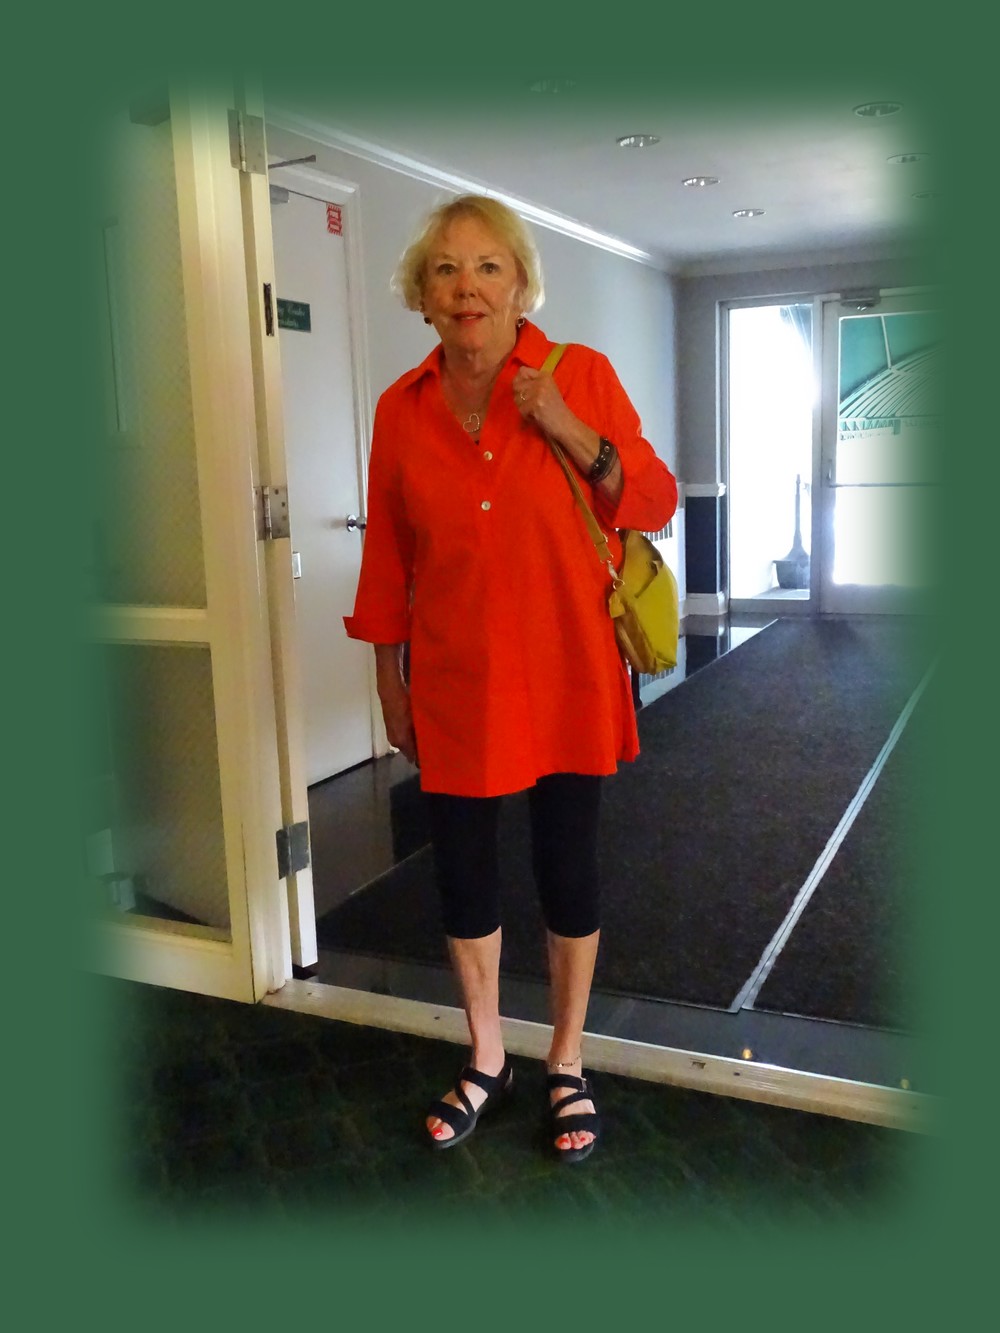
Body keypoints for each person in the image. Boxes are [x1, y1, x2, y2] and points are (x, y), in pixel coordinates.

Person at [344, 194, 677, 1162]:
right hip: (454, 678)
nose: (467, 287)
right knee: (463, 873)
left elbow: (653, 499)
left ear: (521, 285)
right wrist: (389, 681)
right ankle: (486, 1054)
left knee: (567, 865)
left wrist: (567, 426)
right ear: (422, 294)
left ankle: (566, 1059)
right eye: (446, 269)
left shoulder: (581, 376)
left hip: (568, 667)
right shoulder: (401, 409)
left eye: (488, 267)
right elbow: (387, 559)